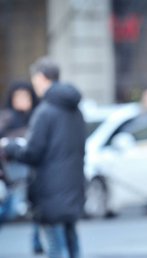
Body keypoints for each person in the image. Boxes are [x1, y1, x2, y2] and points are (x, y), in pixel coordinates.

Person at [2, 56, 86, 258]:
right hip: (73, 188)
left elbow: (32, 153)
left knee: (56, 249)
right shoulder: (75, 110)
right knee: (72, 245)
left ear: (41, 77)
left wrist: (10, 147)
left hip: (50, 190)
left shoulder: (45, 111)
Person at [0, 81, 43, 254]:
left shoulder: (37, 116)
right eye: (19, 97)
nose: (22, 100)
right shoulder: (6, 117)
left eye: (25, 96)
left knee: (38, 209)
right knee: (10, 208)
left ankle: (37, 241)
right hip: (13, 172)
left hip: (33, 171)